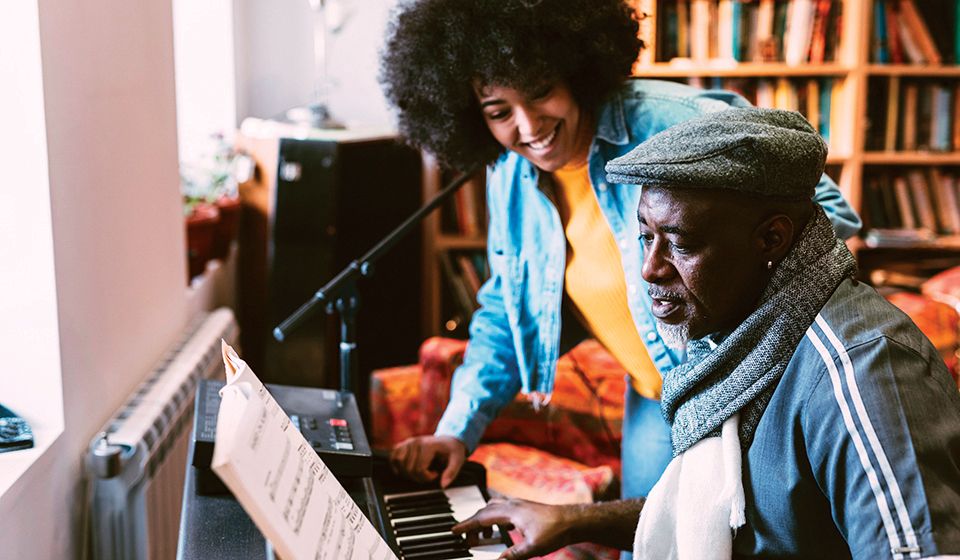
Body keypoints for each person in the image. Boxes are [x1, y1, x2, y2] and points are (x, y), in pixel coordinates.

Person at [379, 0, 860, 512]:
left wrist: (750, 325)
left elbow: (829, 209)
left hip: (749, 389)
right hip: (656, 398)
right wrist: (455, 431)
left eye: (541, 92)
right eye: (499, 112)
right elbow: (505, 310)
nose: (528, 126)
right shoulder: (509, 176)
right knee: (643, 540)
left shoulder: (673, 122)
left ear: (574, 72)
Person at [453, 107, 960, 559]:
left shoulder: (863, 372)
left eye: (681, 243)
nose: (650, 269)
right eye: (645, 237)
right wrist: (571, 522)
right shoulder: (740, 329)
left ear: (772, 239)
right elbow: (737, 515)